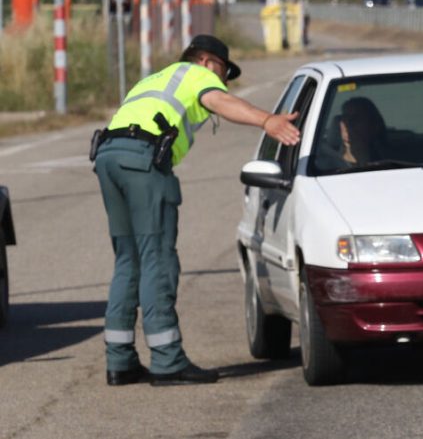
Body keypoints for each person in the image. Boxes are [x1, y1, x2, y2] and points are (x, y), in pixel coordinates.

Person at [93, 34, 300, 387]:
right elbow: (220, 100)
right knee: (157, 257)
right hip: (142, 163)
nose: (223, 80)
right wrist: (267, 121)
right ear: (205, 61)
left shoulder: (154, 79)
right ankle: (167, 361)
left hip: (109, 156)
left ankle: (120, 360)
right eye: (222, 70)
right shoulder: (196, 74)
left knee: (129, 259)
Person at [337, 97, 386, 165]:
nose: (349, 124)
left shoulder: (389, 157)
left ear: (374, 125)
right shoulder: (327, 161)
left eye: (356, 118)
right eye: (345, 118)